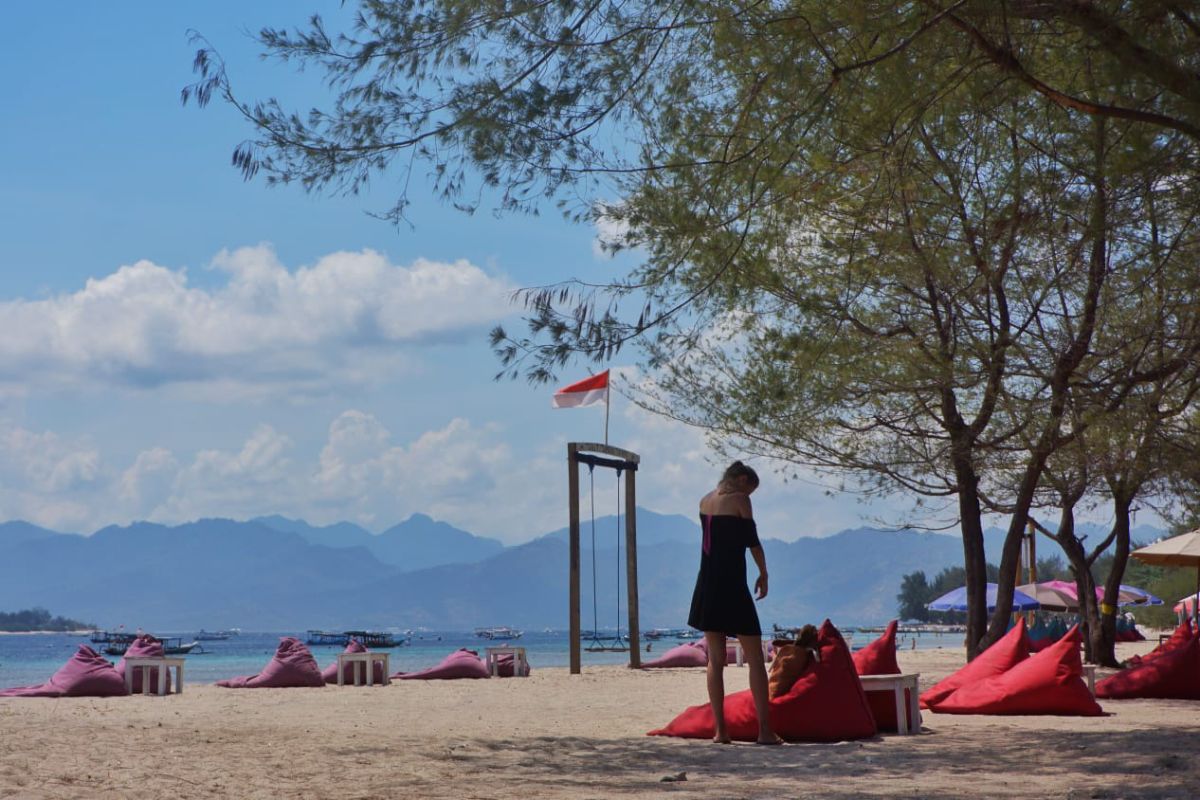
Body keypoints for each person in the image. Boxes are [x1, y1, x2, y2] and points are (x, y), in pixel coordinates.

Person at [687, 460, 780, 745]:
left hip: (706, 584)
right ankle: (764, 731)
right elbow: (752, 541)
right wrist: (764, 574)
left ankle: (720, 731)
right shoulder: (739, 500)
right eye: (750, 490)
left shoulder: (705, 501)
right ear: (742, 480)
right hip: (732, 584)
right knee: (755, 658)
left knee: (715, 660)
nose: (749, 496)